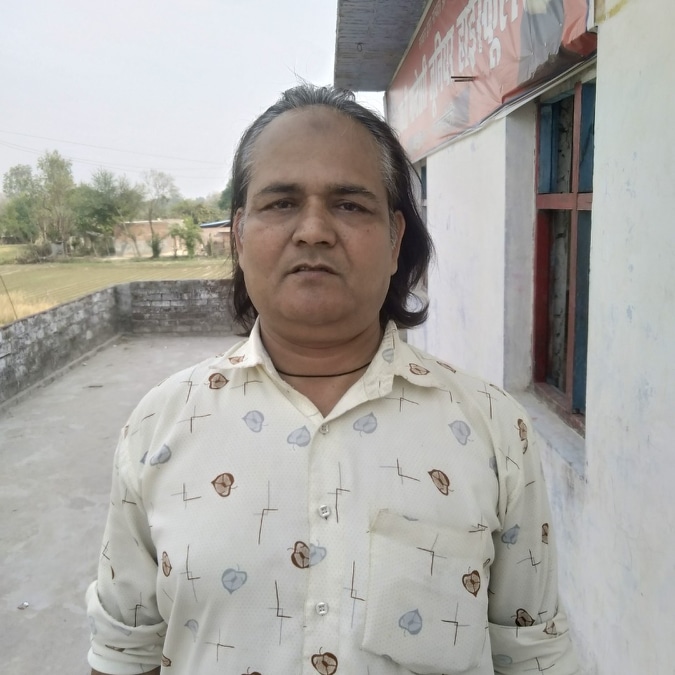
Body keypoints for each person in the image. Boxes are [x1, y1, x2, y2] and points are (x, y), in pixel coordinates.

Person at [86, 84, 579, 675]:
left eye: (349, 205)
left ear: (396, 240)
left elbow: (533, 656)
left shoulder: (493, 428)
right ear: (238, 235)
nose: (314, 230)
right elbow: (124, 652)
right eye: (281, 203)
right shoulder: (158, 426)